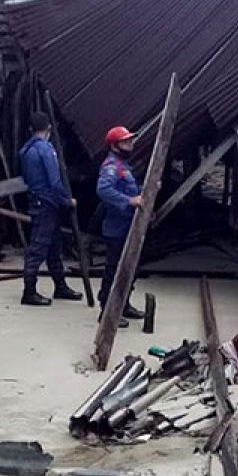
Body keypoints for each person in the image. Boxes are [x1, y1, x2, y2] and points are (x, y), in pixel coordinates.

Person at [19, 111, 82, 306]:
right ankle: (29, 291)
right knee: (39, 248)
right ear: (48, 129)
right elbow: (54, 181)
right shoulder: (46, 150)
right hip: (48, 203)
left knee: (54, 246)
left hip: (37, 200)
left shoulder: (25, 150)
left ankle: (60, 286)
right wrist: (67, 200)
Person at [96, 125, 146, 327]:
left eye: (130, 140)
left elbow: (131, 190)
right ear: (115, 146)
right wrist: (129, 201)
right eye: (126, 141)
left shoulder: (123, 166)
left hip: (128, 227)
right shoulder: (111, 167)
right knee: (114, 270)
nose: (130, 144)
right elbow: (103, 190)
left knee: (129, 269)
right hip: (116, 228)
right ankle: (107, 311)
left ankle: (124, 305)